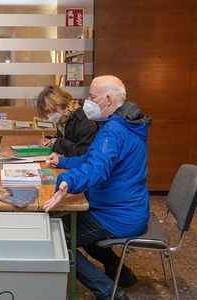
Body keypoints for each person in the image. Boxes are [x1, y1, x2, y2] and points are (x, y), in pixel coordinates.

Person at [44, 75, 152, 300]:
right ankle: (122, 274)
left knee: (57, 240)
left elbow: (97, 169)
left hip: (117, 216)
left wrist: (68, 181)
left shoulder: (114, 130)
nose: (88, 103)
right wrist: (63, 162)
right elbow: (91, 159)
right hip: (127, 209)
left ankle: (109, 293)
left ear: (108, 99)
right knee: (70, 224)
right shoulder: (126, 125)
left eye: (92, 97)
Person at [37, 85, 98, 157]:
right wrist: (50, 141)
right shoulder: (63, 120)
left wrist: (57, 143)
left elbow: (82, 152)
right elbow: (67, 139)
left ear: (58, 104)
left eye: (48, 110)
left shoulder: (84, 120)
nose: (48, 115)